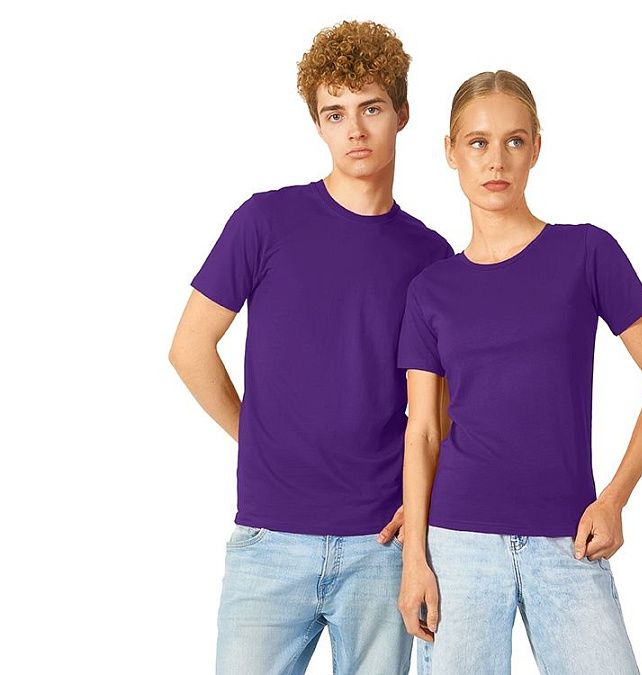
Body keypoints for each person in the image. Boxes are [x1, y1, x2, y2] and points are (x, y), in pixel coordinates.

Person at [168, 20, 453, 674]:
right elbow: (190, 347)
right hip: (268, 538)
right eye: (335, 113)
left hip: (383, 543)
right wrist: (255, 434)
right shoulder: (265, 222)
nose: (354, 130)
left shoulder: (431, 256)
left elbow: (445, 405)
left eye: (371, 108)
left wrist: (422, 504)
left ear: (402, 113)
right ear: (318, 124)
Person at [395, 70, 642, 674]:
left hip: (568, 536)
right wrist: (414, 559)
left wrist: (614, 499)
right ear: (450, 151)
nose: (495, 160)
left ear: (536, 148)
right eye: (477, 142)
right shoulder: (431, 289)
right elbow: (422, 431)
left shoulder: (586, 252)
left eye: (514, 141)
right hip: (460, 540)